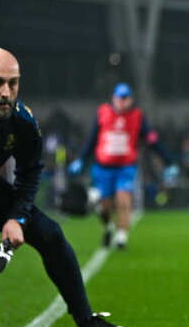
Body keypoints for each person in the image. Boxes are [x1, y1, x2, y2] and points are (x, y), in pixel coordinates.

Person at [0, 48, 129, 327]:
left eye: (13, 83)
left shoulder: (23, 123)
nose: (6, 92)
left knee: (51, 234)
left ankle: (85, 320)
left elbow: (29, 175)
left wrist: (16, 218)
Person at [69, 83, 177, 249]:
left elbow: (152, 140)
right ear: (113, 98)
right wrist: (82, 159)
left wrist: (169, 161)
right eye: (120, 98)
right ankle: (108, 227)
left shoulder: (137, 117)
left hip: (126, 167)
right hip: (103, 167)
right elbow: (92, 139)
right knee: (104, 206)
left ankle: (121, 237)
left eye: (125, 98)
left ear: (131, 99)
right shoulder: (103, 113)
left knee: (123, 198)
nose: (122, 102)